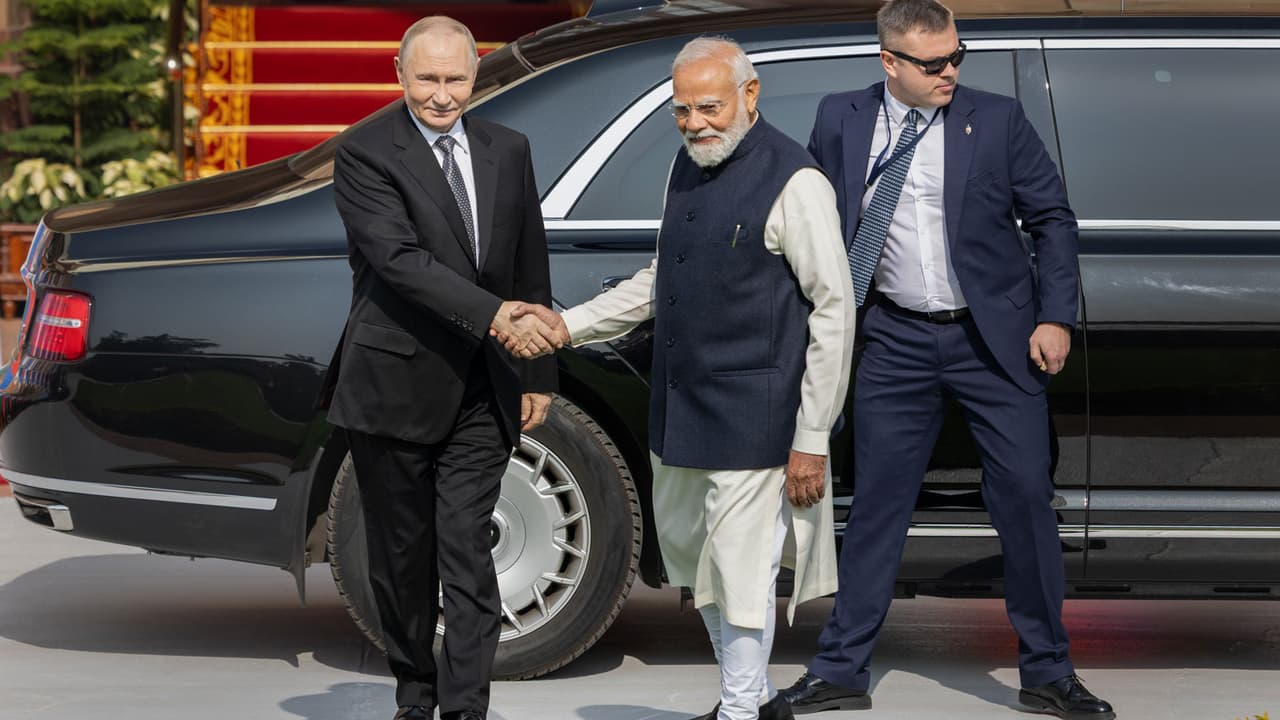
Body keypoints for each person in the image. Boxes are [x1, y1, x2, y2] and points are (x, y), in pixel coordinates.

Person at [776, 2, 1114, 719]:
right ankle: (840, 669)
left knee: (1025, 498)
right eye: (933, 63)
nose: (950, 72)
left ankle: (1048, 670)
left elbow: (1052, 219)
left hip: (993, 342)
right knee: (876, 507)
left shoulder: (996, 119)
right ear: (889, 62)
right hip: (893, 338)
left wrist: (1055, 316)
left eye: (957, 56)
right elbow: (811, 218)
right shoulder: (840, 118)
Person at [503, 36, 854, 720]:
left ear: (750, 95)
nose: (695, 123)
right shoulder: (687, 164)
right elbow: (661, 280)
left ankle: (740, 710)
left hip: (757, 418)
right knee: (698, 566)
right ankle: (754, 701)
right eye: (683, 110)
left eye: (710, 107)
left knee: (742, 571)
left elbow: (835, 313)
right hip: (682, 410)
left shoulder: (797, 181)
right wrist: (567, 325)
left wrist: (811, 436)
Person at [316, 15, 562, 720]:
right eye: (427, 78)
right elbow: (400, 262)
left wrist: (538, 371)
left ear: (476, 74)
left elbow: (529, 261)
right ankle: (415, 695)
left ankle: (463, 707)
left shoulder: (508, 148)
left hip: (484, 389)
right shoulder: (364, 152)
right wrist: (496, 316)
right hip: (392, 387)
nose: (442, 94)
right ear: (399, 74)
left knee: (466, 548)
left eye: (456, 78)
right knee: (402, 560)